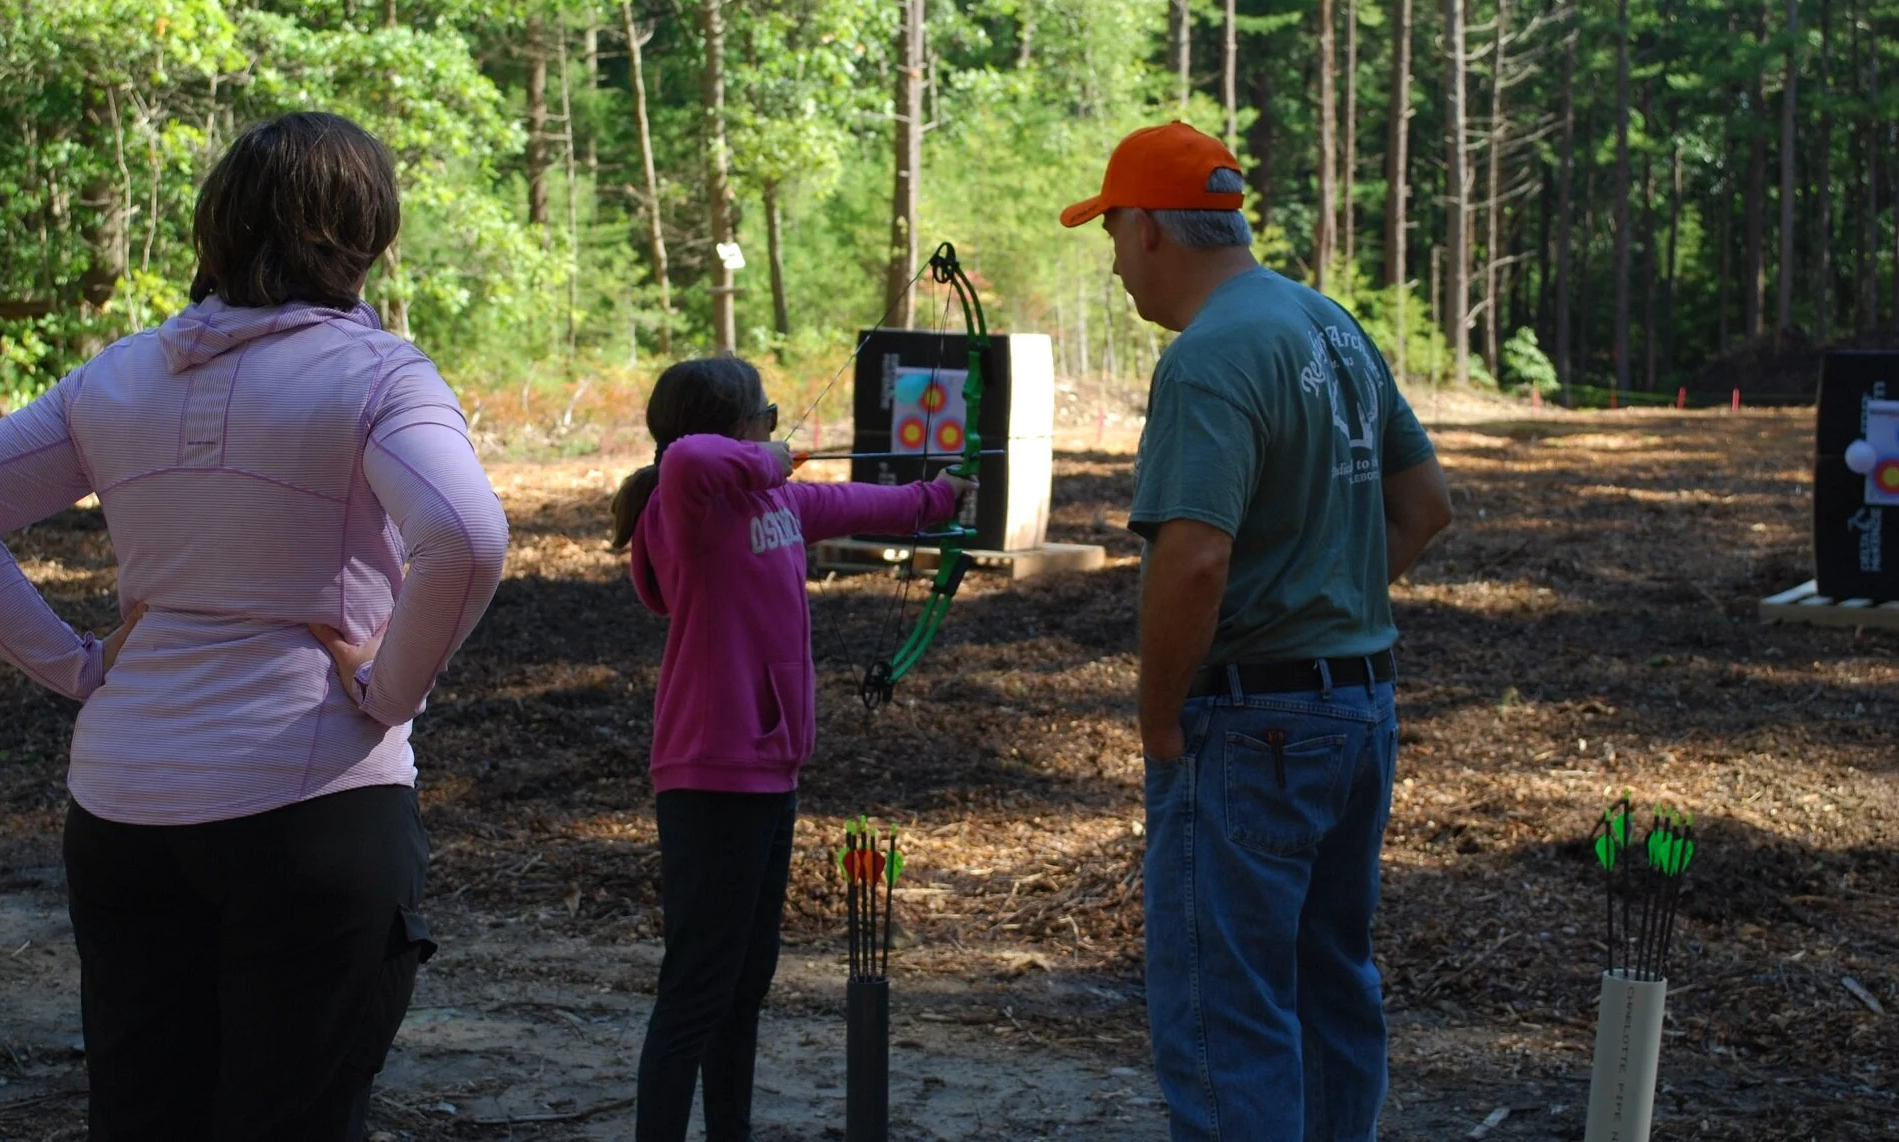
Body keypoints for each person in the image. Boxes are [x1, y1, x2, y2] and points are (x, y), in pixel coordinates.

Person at [0, 112, 510, 1141]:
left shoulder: (118, 377)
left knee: (146, 1117)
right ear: (367, 231)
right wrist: (390, 690)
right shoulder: (380, 376)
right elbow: (462, 534)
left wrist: (76, 668)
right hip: (312, 803)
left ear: (216, 225)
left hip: (125, 811)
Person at [1061, 121, 1454, 1142]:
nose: (1110, 264)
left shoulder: (1207, 360)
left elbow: (1192, 560)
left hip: (1251, 726)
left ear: (1147, 228)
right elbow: (1423, 508)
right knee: (1329, 982)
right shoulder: (1325, 323)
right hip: (1357, 706)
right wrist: (1327, 601)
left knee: (1225, 1016)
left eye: (1108, 234)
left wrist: (1156, 719)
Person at [613, 356, 972, 1142]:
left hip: (769, 768)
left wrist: (936, 498)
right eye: (767, 420)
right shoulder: (692, 499)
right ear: (740, 430)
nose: (776, 434)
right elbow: (687, 456)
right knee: (697, 988)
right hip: (712, 769)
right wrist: (768, 458)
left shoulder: (767, 503)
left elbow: (850, 501)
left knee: (745, 984)